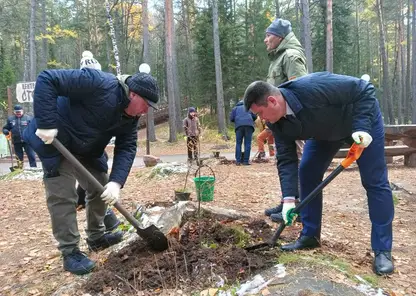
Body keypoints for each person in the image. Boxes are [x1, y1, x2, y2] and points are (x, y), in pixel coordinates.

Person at [243, 72, 395, 275]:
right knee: (307, 172)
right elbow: (287, 160)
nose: (262, 119)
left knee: (374, 182)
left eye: (261, 113)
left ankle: (382, 249)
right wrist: (289, 199)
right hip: (324, 133)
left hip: (360, 123)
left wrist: (362, 128)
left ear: (272, 101)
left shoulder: (312, 86)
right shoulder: (276, 123)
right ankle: (310, 235)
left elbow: (363, 89)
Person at [23, 65, 159, 275]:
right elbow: (47, 79)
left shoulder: (130, 118)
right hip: (54, 139)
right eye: (146, 104)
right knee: (64, 194)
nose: (146, 110)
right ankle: (70, 252)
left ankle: (96, 237)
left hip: (86, 147)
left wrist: (116, 183)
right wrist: (47, 123)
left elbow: (128, 146)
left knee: (101, 185)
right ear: (133, 94)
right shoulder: (98, 83)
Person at [263, 18, 308, 220]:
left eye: (268, 35)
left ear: (279, 36)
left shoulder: (290, 55)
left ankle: (298, 205)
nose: (265, 40)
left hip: (292, 121)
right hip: (281, 121)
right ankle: (287, 202)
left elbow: (300, 88)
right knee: (284, 160)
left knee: (296, 160)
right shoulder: (279, 57)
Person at [3, 104, 37, 169]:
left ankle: (34, 169)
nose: (18, 113)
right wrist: (5, 131)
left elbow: (34, 127)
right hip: (16, 141)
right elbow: (6, 128)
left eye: (19, 112)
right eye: (16, 112)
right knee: (19, 157)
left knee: (31, 156)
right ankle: (20, 169)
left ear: (22, 111)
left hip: (27, 141)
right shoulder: (10, 119)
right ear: (14, 112)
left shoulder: (28, 118)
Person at [230, 100, 257, 165]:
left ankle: (238, 161)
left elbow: (231, 118)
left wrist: (237, 120)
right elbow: (255, 117)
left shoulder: (235, 108)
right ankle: (246, 161)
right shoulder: (249, 108)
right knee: (247, 143)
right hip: (249, 126)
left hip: (239, 126)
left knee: (238, 143)